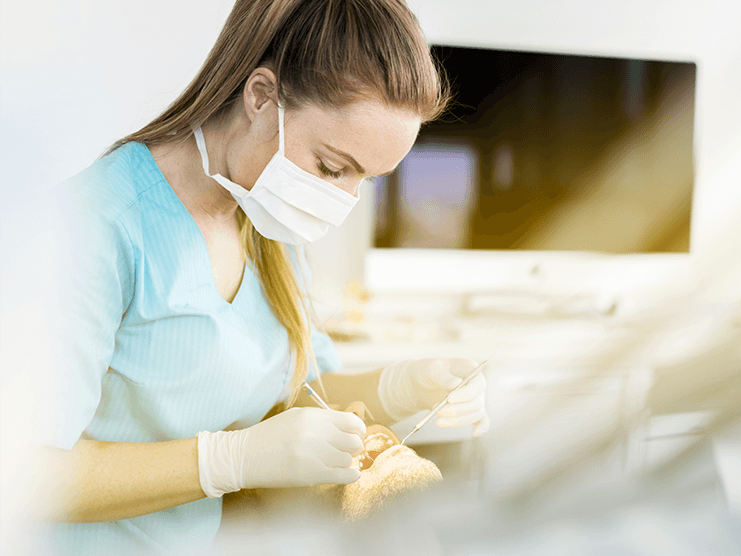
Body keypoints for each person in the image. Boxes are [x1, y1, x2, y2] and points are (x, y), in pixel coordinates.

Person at [15, 1, 489, 554]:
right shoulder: (97, 226)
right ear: (261, 97)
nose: (341, 201)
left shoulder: (265, 217)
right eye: (333, 168)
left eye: (367, 180)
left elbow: (298, 394)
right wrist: (227, 460)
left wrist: (401, 384)